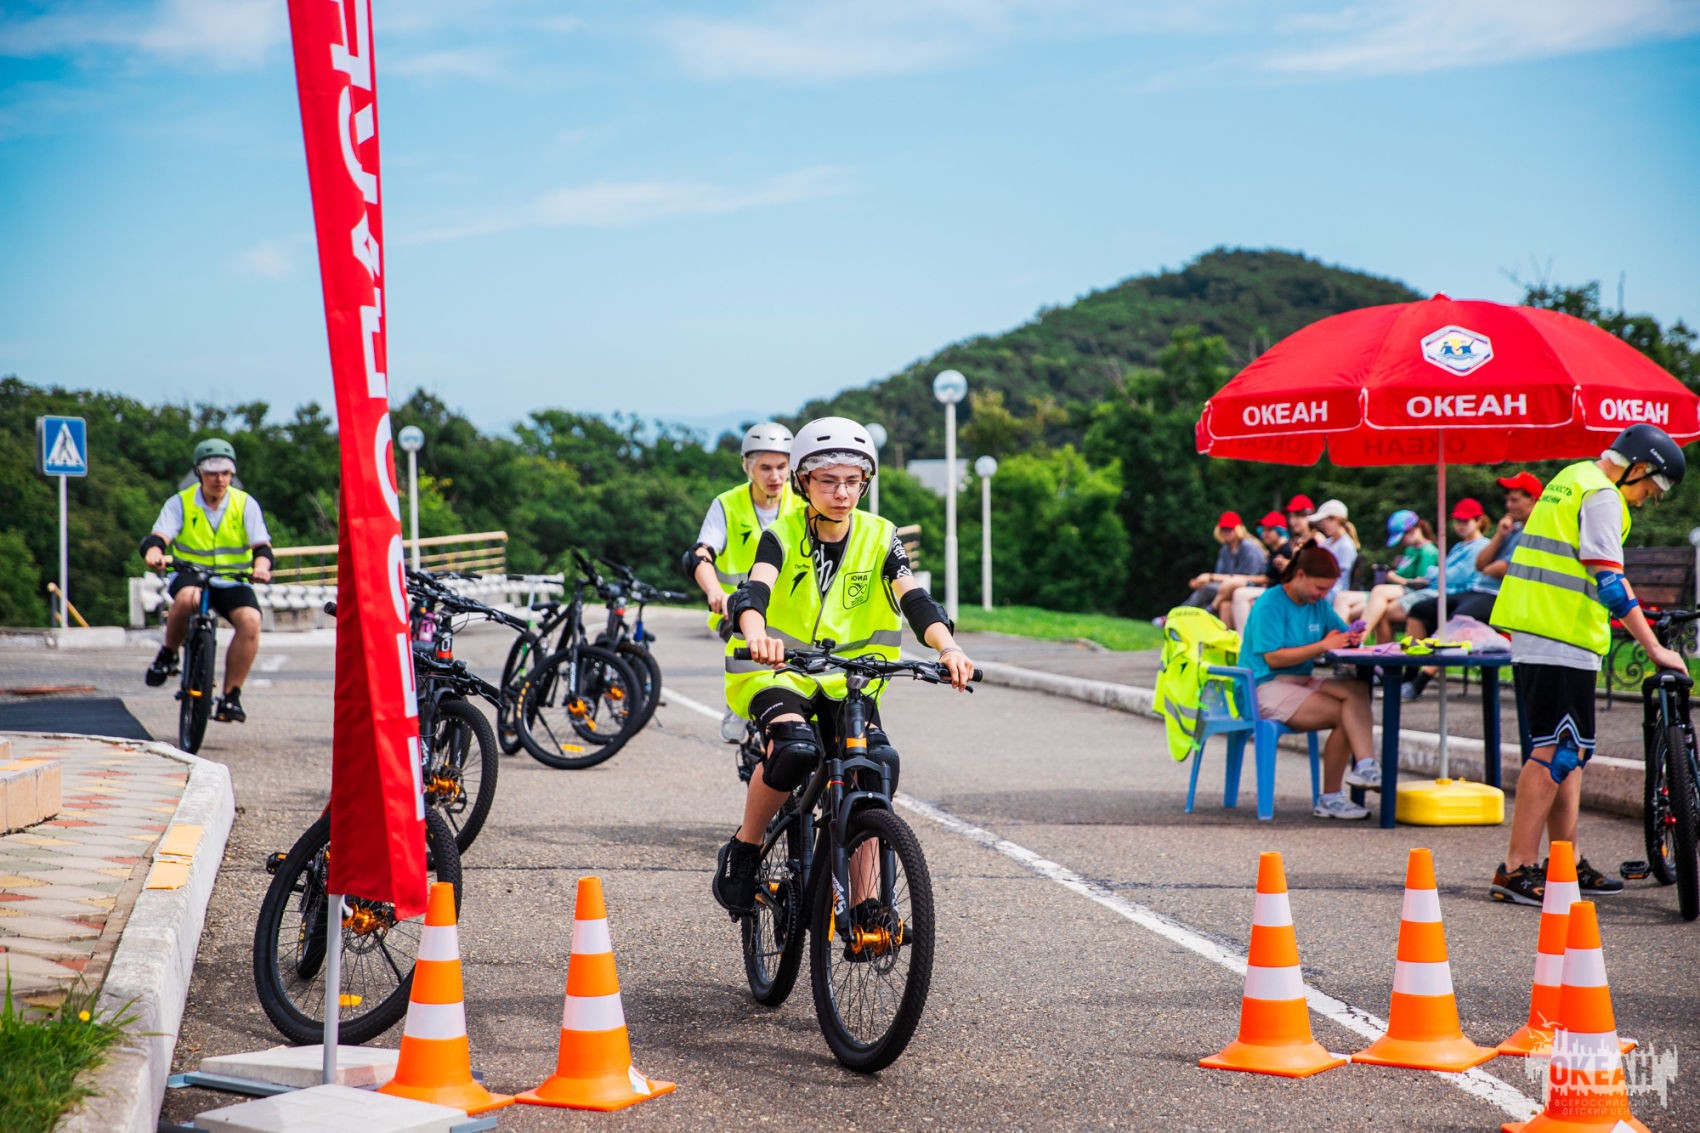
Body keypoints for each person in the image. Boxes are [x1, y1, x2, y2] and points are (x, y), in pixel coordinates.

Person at [712, 417, 975, 915]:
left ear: (865, 483)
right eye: (829, 481)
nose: (842, 493)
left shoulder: (881, 536)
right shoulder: (780, 534)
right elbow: (754, 590)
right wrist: (755, 633)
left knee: (875, 768)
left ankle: (867, 904)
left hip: (851, 678)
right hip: (778, 672)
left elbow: (915, 599)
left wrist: (948, 649)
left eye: (853, 481)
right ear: (803, 482)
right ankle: (746, 847)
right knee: (793, 750)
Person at [1489, 424, 1688, 906]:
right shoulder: (1601, 496)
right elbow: (1610, 582)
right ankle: (1515, 869)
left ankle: (1566, 861)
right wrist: (1654, 648)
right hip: (1558, 634)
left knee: (1570, 752)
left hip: (1549, 630)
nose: (1647, 499)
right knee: (1555, 752)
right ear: (1639, 467)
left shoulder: (1573, 477)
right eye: (1650, 488)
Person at [1239, 543, 1380, 819]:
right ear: (1300, 575)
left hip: (1299, 680)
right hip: (1262, 686)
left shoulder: (1318, 605)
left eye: (1328, 590)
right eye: (1320, 588)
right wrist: (1323, 645)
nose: (1323, 595)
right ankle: (1330, 798)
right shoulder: (1270, 603)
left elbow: (1339, 633)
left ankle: (1365, 766)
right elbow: (1273, 658)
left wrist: (1351, 637)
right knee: (1345, 714)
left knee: (1357, 690)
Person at [140, 438, 274, 724]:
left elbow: (262, 548)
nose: (220, 479)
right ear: (199, 473)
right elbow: (158, 537)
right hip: (192, 574)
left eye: (226, 472)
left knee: (251, 620)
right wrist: (154, 553)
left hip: (231, 579)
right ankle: (168, 654)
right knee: (188, 598)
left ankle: (231, 696)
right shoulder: (181, 502)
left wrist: (262, 568)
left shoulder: (244, 504)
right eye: (212, 473)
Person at [683, 422, 799, 740]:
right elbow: (699, 554)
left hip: (791, 613)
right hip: (734, 611)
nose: (775, 476)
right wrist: (714, 592)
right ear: (747, 466)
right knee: (755, 654)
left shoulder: (803, 503)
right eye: (765, 468)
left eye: (782, 466)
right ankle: (740, 699)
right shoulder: (727, 504)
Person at [1447, 471, 1541, 625]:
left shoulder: (1537, 531)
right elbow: (1479, 565)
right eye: (1507, 500)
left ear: (1532, 500)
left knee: (1460, 618)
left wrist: (1487, 569)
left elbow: (1502, 569)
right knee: (1422, 610)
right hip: (1481, 590)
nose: (1508, 505)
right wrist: (1499, 534)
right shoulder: (1513, 529)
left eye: (1514, 500)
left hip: (1503, 595)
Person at [1350, 510, 1438, 638]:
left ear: (1412, 529)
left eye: (1402, 538)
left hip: (1420, 594)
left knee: (1379, 591)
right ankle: (1361, 639)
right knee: (1368, 608)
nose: (1401, 543)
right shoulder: (1410, 550)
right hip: (1404, 592)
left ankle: (1359, 637)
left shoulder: (1428, 551)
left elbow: (1422, 583)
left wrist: (1393, 577)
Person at [1215, 511, 1290, 630]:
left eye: (1269, 530)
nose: (1264, 533)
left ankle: (1244, 638)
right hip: (1271, 588)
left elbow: (1267, 579)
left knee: (1239, 594)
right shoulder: (1274, 550)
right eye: (1263, 530)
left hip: (1282, 591)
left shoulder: (1287, 549)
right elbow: (1268, 578)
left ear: (1280, 530)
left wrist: (1240, 579)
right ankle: (1229, 639)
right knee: (1225, 605)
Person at [1182, 512, 1267, 609]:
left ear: (1238, 529)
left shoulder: (1250, 548)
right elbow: (1221, 576)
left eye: (1230, 529)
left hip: (1252, 586)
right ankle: (1188, 613)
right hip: (1228, 587)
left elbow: (1249, 578)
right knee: (1207, 590)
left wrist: (1210, 577)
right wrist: (1202, 581)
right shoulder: (1225, 550)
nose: (1226, 532)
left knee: (1207, 590)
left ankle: (1181, 612)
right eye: (1223, 529)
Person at [1304, 499, 1359, 611]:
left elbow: (1339, 580)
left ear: (1335, 519)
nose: (1322, 526)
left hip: (1333, 596)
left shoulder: (1346, 546)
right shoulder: (1326, 543)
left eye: (1323, 521)